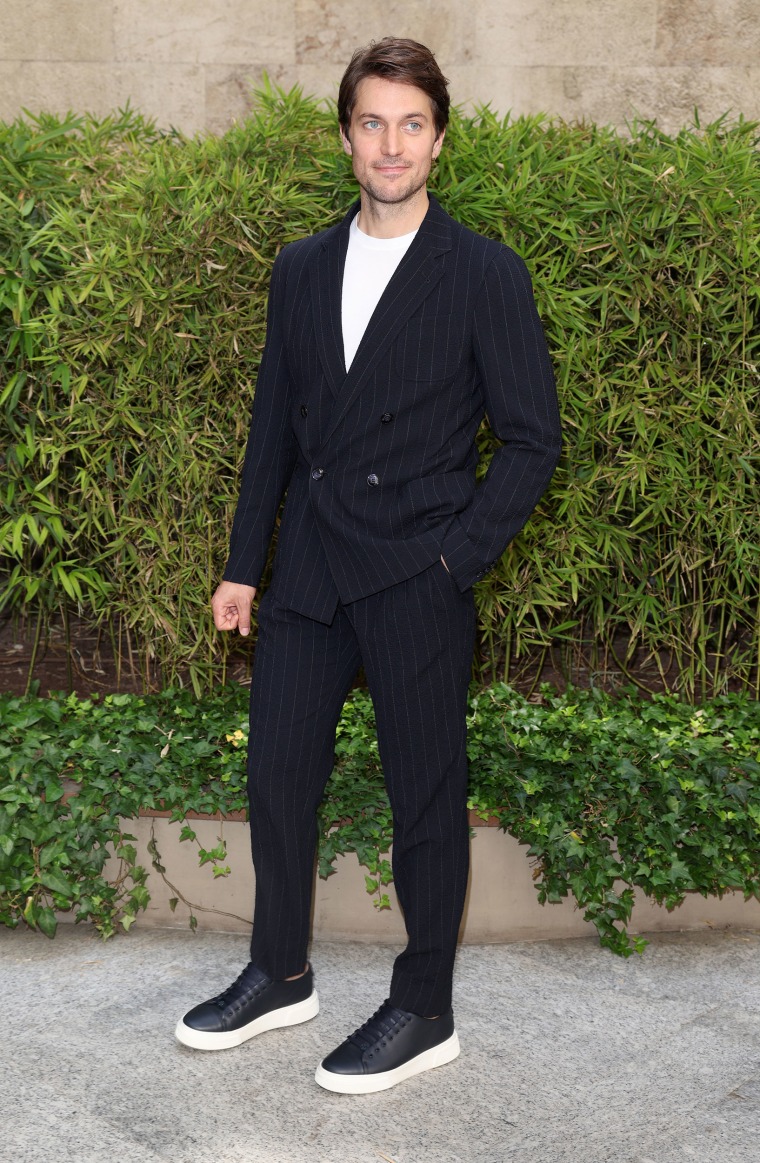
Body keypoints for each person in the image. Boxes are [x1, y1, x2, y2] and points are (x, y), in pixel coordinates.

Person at [174, 37, 561, 1094]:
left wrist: (457, 558)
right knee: (276, 778)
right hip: (307, 570)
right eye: (372, 122)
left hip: (414, 571)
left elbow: (532, 438)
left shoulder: (483, 271)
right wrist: (241, 562)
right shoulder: (300, 267)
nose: (391, 143)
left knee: (424, 797)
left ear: (437, 138)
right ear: (345, 137)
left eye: (412, 123)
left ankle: (424, 1003)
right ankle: (279, 968)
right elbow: (274, 432)